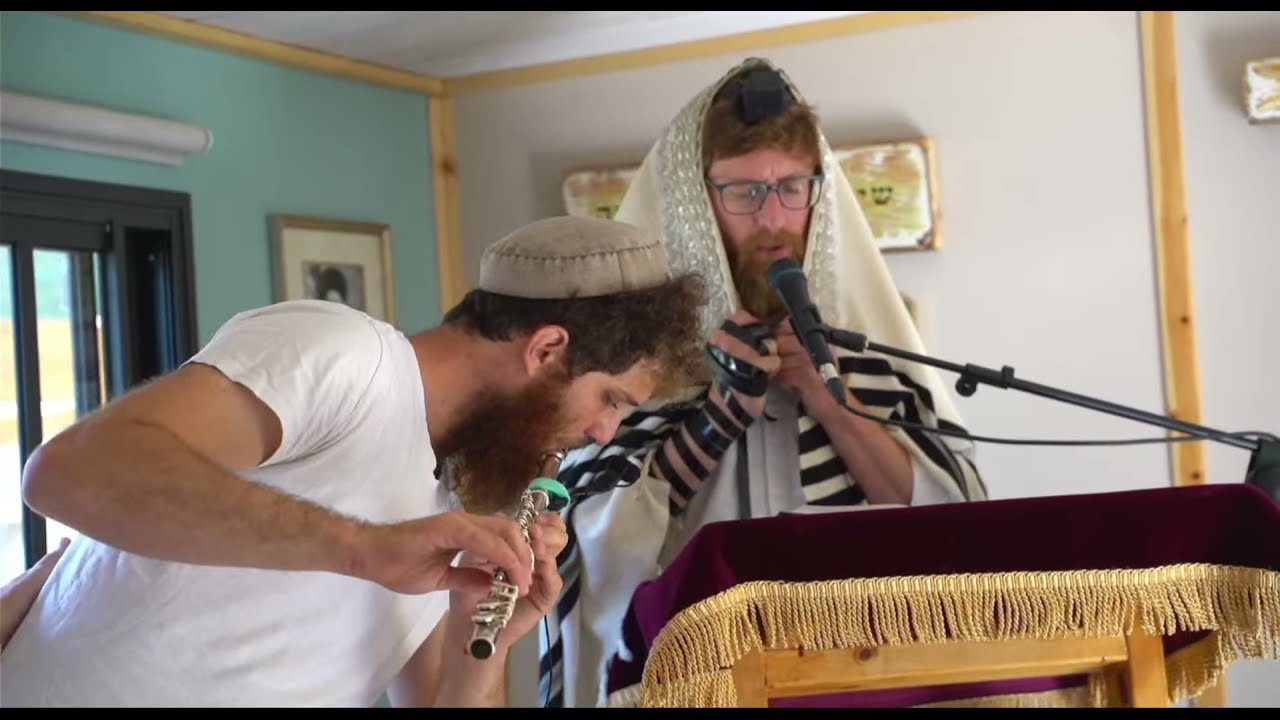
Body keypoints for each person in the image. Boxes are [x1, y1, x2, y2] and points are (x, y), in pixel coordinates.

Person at [0, 215, 706, 708]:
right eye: (611, 399)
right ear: (546, 349)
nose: (605, 433)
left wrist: (481, 641)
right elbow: (68, 472)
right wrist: (365, 548)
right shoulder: (347, 356)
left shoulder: (441, 513)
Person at [539, 58, 991, 708]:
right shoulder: (627, 371)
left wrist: (832, 403)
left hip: (859, 677)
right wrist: (717, 418)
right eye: (744, 192)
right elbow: (596, 549)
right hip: (698, 682)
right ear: (697, 203)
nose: (774, 217)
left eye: (792, 187)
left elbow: (954, 529)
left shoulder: (872, 361)